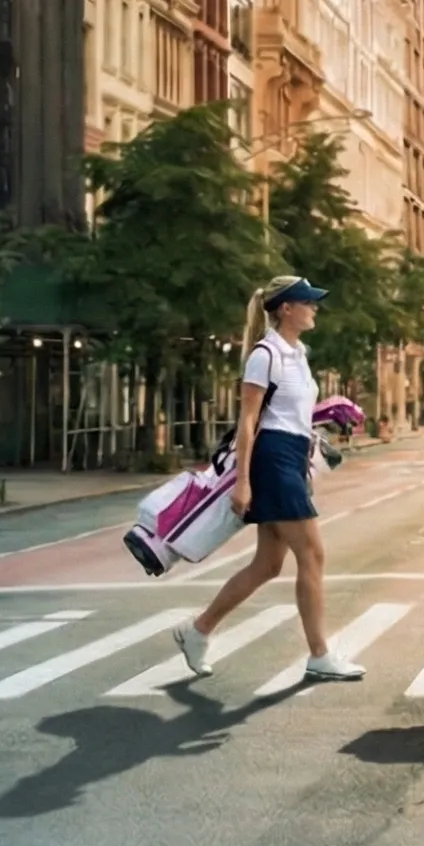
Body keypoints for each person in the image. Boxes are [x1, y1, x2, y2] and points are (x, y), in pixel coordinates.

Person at [169, 276, 364, 683]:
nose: (314, 309)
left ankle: (198, 630)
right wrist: (243, 482)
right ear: (285, 309)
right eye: (307, 302)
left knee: (268, 564)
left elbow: (293, 413)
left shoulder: (299, 353)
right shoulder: (265, 354)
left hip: (292, 456)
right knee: (312, 554)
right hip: (271, 458)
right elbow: (249, 420)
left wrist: (327, 415)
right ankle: (320, 654)